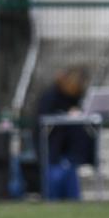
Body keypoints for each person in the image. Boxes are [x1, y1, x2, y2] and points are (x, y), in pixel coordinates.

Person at [36, 66, 97, 200]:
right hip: (55, 148)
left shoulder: (75, 97)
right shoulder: (50, 96)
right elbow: (43, 122)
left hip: (69, 150)